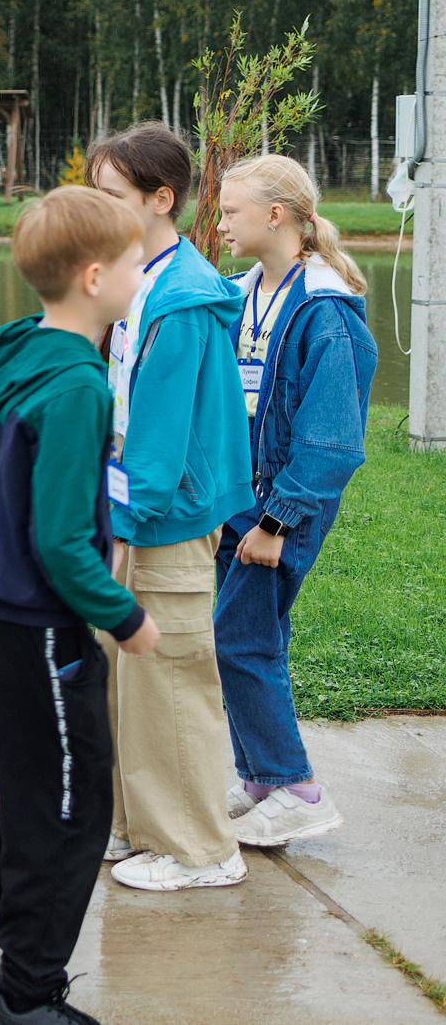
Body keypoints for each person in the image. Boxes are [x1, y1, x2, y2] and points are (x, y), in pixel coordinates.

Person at [0, 186, 161, 1025]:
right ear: (93, 277)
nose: (141, 273)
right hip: (41, 613)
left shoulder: (33, 352)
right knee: (77, 806)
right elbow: (60, 540)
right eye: (132, 262)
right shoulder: (77, 386)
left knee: (49, 778)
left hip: (2, 599)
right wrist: (124, 614)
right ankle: (30, 993)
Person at [89, 123, 254, 892]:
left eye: (113, 194)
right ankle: (138, 827)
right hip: (136, 505)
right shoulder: (142, 276)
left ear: (163, 199)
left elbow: (160, 436)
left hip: (165, 516)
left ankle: (201, 849)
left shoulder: (180, 298)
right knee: (130, 680)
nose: (99, 205)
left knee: (173, 681)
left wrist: (122, 526)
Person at [213, 154, 376, 847]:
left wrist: (279, 520)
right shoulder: (241, 291)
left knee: (240, 637)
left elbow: (332, 439)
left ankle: (298, 786)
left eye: (230, 213)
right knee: (253, 634)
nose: (219, 224)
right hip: (240, 500)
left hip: (280, 508)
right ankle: (261, 776)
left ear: (276, 215)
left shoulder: (323, 307)